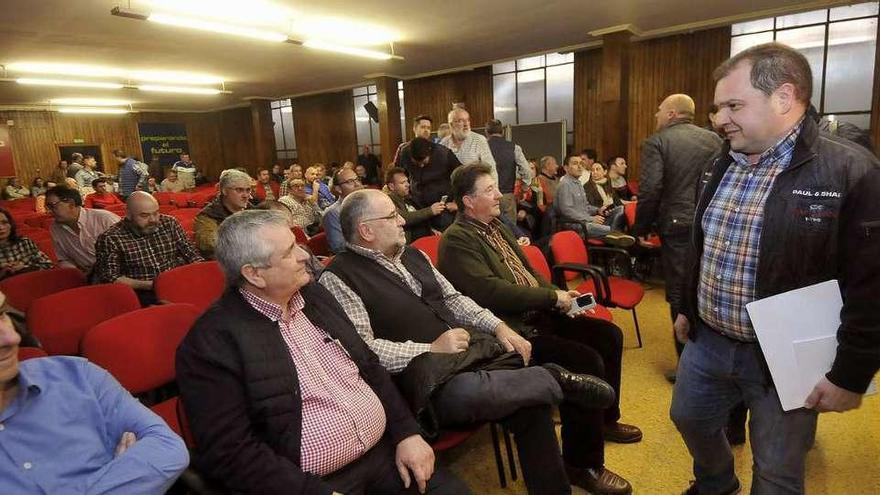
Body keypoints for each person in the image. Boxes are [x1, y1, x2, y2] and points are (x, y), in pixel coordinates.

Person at [670, 42, 880, 495]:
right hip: (707, 340)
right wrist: (685, 305)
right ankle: (716, 482)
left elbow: (872, 286)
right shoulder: (717, 164)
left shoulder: (852, 170)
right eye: (716, 107)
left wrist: (850, 373)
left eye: (732, 105)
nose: (718, 118)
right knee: (688, 418)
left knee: (778, 473)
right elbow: (700, 246)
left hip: (782, 357)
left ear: (784, 98)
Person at [320, 189, 616, 494]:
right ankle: (556, 379)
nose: (402, 222)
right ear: (366, 230)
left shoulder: (413, 255)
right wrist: (430, 348)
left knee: (533, 405)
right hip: (424, 382)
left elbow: (454, 299)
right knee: (467, 390)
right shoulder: (339, 278)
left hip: (469, 355)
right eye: (392, 216)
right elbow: (362, 350)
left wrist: (500, 327)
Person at [176, 209, 468, 494]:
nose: (305, 255)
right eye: (290, 251)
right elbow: (231, 451)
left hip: (384, 453)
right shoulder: (210, 344)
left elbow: (369, 366)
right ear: (254, 274)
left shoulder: (314, 296)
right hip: (312, 483)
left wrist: (407, 432)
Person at [438, 163, 639, 494]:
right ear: (468, 201)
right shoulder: (456, 240)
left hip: (539, 311)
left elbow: (529, 271)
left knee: (608, 336)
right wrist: (551, 297)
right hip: (512, 331)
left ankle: (603, 419)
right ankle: (581, 463)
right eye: (489, 190)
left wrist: (561, 298)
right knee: (584, 360)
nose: (499, 196)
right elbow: (491, 292)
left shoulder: (497, 227)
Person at [0, 296, 189, 493]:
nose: (12, 337)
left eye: (2, 314)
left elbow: (168, 448)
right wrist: (121, 475)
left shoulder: (76, 375)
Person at [632, 93, 723, 361]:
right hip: (712, 222)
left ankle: (687, 363)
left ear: (672, 113)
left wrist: (641, 228)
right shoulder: (715, 140)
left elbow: (650, 189)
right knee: (705, 287)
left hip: (678, 226)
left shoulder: (657, 142)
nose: (656, 115)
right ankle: (708, 355)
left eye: (659, 111)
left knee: (680, 292)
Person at [94, 191, 204, 305]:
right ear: (128, 214)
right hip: (141, 293)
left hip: (176, 284)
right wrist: (153, 285)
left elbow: (192, 255)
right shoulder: (110, 238)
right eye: (144, 215)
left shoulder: (170, 223)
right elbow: (111, 279)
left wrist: (198, 275)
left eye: (156, 213)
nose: (153, 220)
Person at [554, 155, 634, 246]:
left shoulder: (578, 183)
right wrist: (591, 219)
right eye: (575, 164)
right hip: (577, 225)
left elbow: (586, 206)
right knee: (610, 229)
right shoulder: (565, 185)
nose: (580, 166)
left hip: (587, 220)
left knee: (619, 210)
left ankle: (614, 236)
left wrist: (597, 210)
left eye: (581, 163)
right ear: (566, 168)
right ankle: (615, 235)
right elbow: (567, 211)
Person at [47, 186, 120, 275]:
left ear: (71, 204)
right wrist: (78, 273)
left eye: (52, 206)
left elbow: (131, 248)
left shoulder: (104, 219)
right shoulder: (55, 228)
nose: (48, 211)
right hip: (90, 276)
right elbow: (63, 259)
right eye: (47, 206)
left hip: (120, 270)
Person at [402, 137, 461, 231]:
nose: (421, 166)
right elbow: (401, 174)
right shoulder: (404, 153)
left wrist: (457, 202)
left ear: (430, 152)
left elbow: (462, 177)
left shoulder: (445, 154)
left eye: (424, 162)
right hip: (417, 205)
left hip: (443, 208)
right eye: (416, 163)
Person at [193, 169, 252, 259]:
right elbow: (214, 246)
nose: (245, 195)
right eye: (239, 190)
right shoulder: (207, 216)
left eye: (248, 190)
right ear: (224, 191)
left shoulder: (253, 210)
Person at [485, 119, 532, 223]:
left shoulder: (482, 148)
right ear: (503, 132)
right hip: (507, 196)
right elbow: (527, 170)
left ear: (486, 132)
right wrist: (524, 188)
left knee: (488, 230)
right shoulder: (514, 148)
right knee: (509, 232)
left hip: (487, 196)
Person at [384, 167, 444, 242]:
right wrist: (430, 211)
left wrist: (431, 231)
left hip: (424, 238)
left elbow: (419, 218)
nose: (408, 185)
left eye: (407, 181)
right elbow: (403, 218)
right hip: (410, 243)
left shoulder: (408, 199)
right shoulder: (388, 201)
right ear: (392, 186)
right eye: (402, 183)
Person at [440, 107, 496, 180]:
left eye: (467, 120)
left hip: (474, 188)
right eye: (460, 121)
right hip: (451, 189)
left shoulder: (479, 140)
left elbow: (491, 168)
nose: (466, 124)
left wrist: (493, 189)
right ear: (451, 124)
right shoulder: (444, 143)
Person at [0, 208, 52, 280]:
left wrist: (24, 267)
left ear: (11, 224)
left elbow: (48, 265)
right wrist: (2, 273)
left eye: (4, 222)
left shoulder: (25, 242)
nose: (1, 227)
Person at [322, 167, 364, 254]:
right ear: (338, 189)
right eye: (350, 181)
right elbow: (339, 247)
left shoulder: (367, 205)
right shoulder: (333, 213)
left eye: (357, 179)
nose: (357, 184)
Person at [584, 161, 628, 233]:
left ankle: (614, 232)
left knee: (621, 209)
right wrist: (602, 210)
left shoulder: (608, 185)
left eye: (597, 169)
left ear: (605, 172)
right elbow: (589, 207)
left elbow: (618, 203)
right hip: (598, 217)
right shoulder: (587, 187)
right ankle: (614, 233)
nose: (594, 172)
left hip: (609, 215)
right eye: (592, 170)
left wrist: (611, 209)